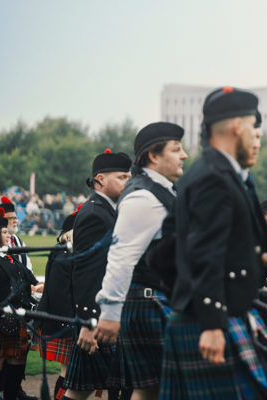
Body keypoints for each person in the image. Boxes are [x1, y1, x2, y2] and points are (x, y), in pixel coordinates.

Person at [160, 87, 267, 400]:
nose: (256, 137)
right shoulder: (213, 176)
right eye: (253, 127)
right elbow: (204, 253)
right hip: (210, 318)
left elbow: (169, 250)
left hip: (225, 309)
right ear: (237, 126)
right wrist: (210, 322)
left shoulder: (223, 173)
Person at [94, 122, 187, 400]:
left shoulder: (164, 191)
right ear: (154, 156)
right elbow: (121, 258)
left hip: (160, 300)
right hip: (149, 302)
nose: (184, 155)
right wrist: (109, 314)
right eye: (176, 149)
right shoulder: (143, 197)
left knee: (151, 391)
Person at [61, 150, 132, 400]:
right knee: (81, 390)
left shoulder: (108, 210)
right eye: (123, 177)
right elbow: (86, 272)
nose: (129, 181)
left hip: (108, 313)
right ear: (100, 179)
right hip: (98, 319)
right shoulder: (94, 214)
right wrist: (88, 323)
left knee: (114, 385)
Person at [0, 208, 38, 399]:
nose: (8, 235)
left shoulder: (12, 258)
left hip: (17, 319)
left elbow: (31, 282)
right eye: (3, 232)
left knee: (17, 362)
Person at [37, 210, 77, 400]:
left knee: (70, 371)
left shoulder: (65, 250)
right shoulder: (64, 253)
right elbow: (59, 293)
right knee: (68, 371)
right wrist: (68, 324)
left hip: (68, 319)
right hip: (65, 320)